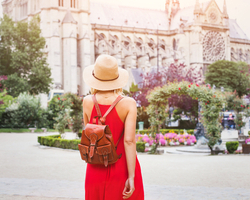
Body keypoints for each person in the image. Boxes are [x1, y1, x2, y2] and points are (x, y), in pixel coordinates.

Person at [82, 55, 144, 200]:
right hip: (121, 167)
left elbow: (89, 132)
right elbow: (129, 141)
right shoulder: (129, 103)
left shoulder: (86, 101)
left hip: (95, 168)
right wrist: (131, 176)